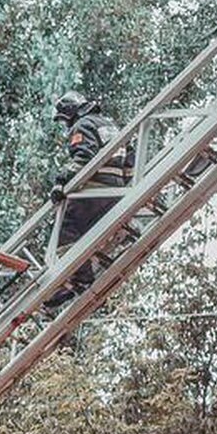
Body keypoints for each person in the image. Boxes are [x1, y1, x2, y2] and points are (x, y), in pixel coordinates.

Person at [45, 91, 133, 308]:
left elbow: (83, 156)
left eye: (66, 120)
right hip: (114, 193)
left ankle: (78, 277)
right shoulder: (111, 126)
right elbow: (130, 158)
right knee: (90, 235)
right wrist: (125, 186)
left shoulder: (83, 125)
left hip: (93, 189)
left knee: (65, 228)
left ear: (72, 113)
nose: (66, 125)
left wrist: (61, 182)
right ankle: (79, 277)